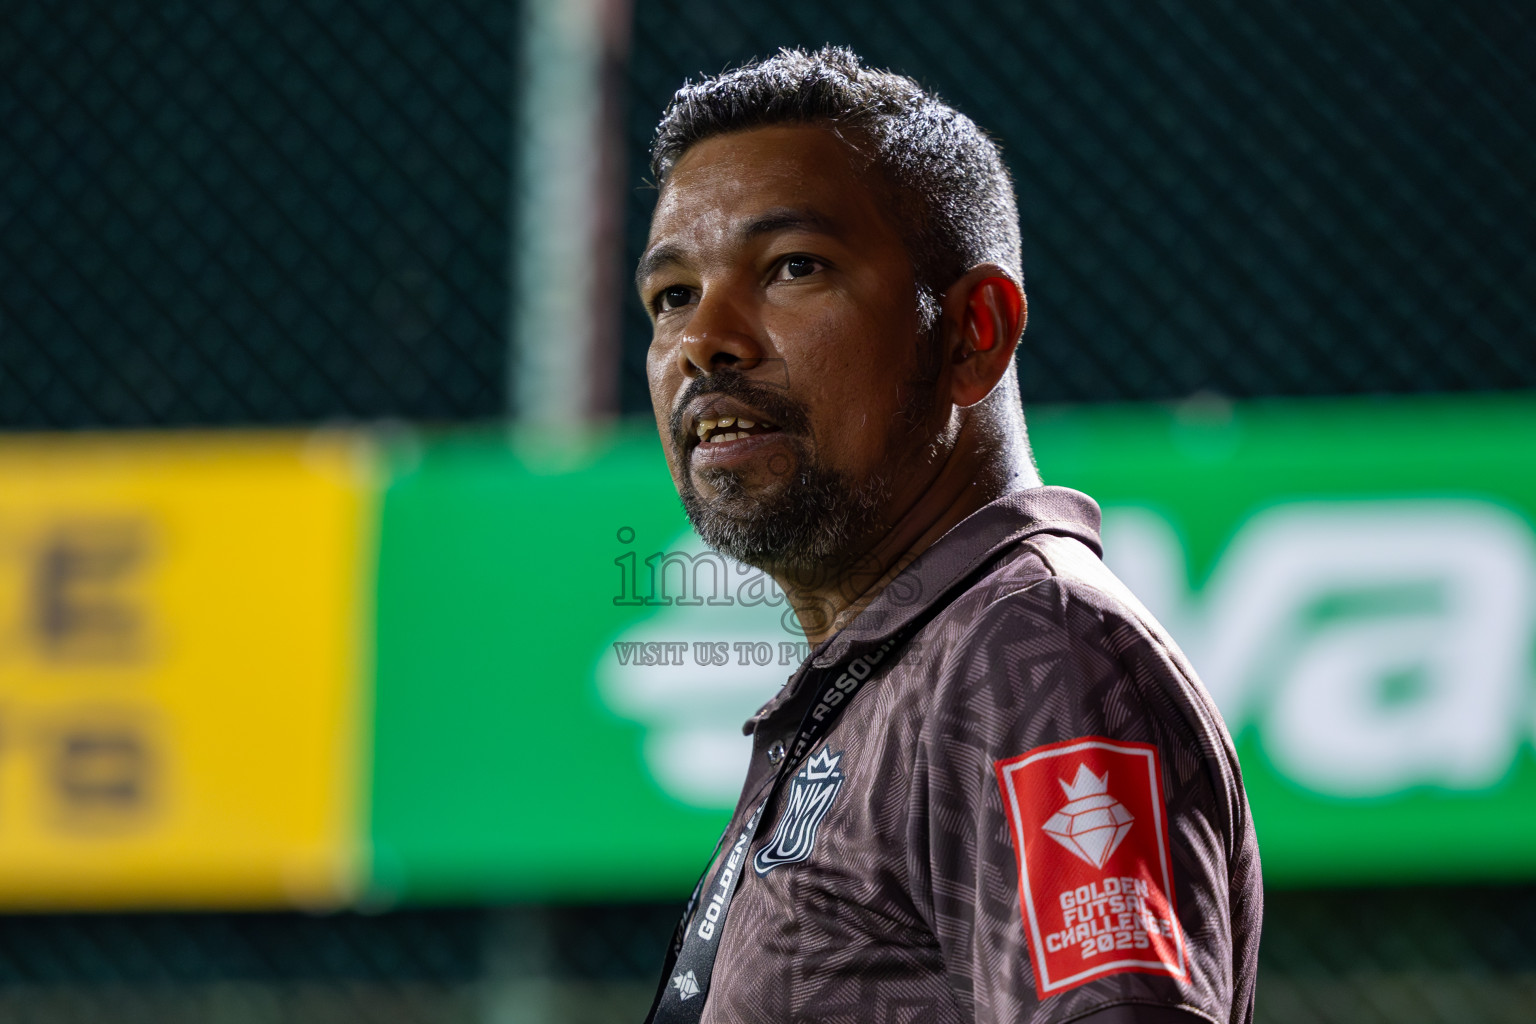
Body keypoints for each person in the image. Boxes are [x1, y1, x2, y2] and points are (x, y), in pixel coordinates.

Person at [636, 46, 1261, 1024]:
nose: (704, 337)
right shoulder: (901, 672)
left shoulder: (1035, 646)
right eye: (670, 294)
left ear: (974, 329)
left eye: (793, 267)